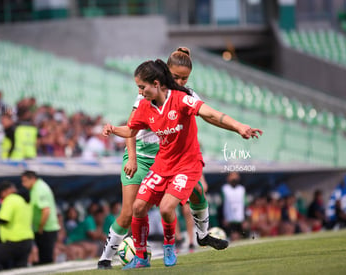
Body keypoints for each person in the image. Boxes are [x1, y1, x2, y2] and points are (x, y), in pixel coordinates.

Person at [102, 59, 262, 269]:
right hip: (163, 164)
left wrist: (239, 126)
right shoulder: (143, 106)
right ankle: (141, 258)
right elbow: (131, 131)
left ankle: (171, 245)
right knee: (138, 207)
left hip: (187, 164)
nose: (140, 92)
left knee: (168, 208)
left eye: (142, 87)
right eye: (138, 88)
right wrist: (113, 129)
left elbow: (211, 114)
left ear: (157, 83)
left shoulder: (182, 99)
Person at [0, 181, 33, 272]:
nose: (1, 197)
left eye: (1, 194)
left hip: (15, 240)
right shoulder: (24, 199)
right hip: (28, 240)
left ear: (5, 192)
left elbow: (4, 219)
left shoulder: (10, 199)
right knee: (20, 268)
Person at [21, 170, 60, 265]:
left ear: (33, 179)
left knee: (46, 259)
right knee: (44, 258)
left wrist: (40, 227)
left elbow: (46, 210)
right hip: (45, 228)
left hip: (45, 229)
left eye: (25, 181)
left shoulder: (39, 189)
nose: (23, 184)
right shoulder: (38, 187)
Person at [221, 172, 249, 241]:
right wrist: (223, 218)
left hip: (240, 219)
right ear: (228, 178)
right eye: (232, 176)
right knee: (234, 238)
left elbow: (245, 205)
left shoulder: (242, 189)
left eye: (236, 176)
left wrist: (245, 219)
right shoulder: (224, 189)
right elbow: (222, 204)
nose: (234, 178)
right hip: (229, 219)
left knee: (242, 239)